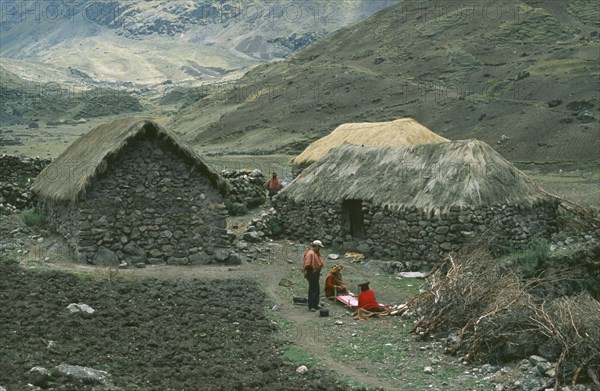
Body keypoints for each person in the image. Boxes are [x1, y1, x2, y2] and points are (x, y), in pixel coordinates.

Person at [301, 240, 325, 312]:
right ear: (316, 246)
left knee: (316, 289)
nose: (320, 249)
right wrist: (312, 272)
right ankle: (311, 306)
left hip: (315, 273)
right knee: (313, 289)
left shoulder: (315, 253)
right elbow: (308, 265)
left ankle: (316, 304)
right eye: (319, 247)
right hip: (312, 274)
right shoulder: (310, 253)